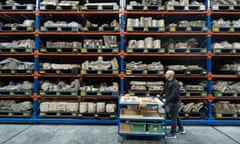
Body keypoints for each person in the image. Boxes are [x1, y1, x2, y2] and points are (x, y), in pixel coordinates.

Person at [162, 70, 185, 138]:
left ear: (170, 75)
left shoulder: (175, 83)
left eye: (166, 74)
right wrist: (159, 95)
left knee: (173, 118)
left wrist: (166, 100)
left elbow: (174, 94)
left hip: (175, 102)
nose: (165, 75)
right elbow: (164, 90)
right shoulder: (168, 82)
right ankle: (181, 129)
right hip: (171, 102)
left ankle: (173, 134)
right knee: (176, 116)